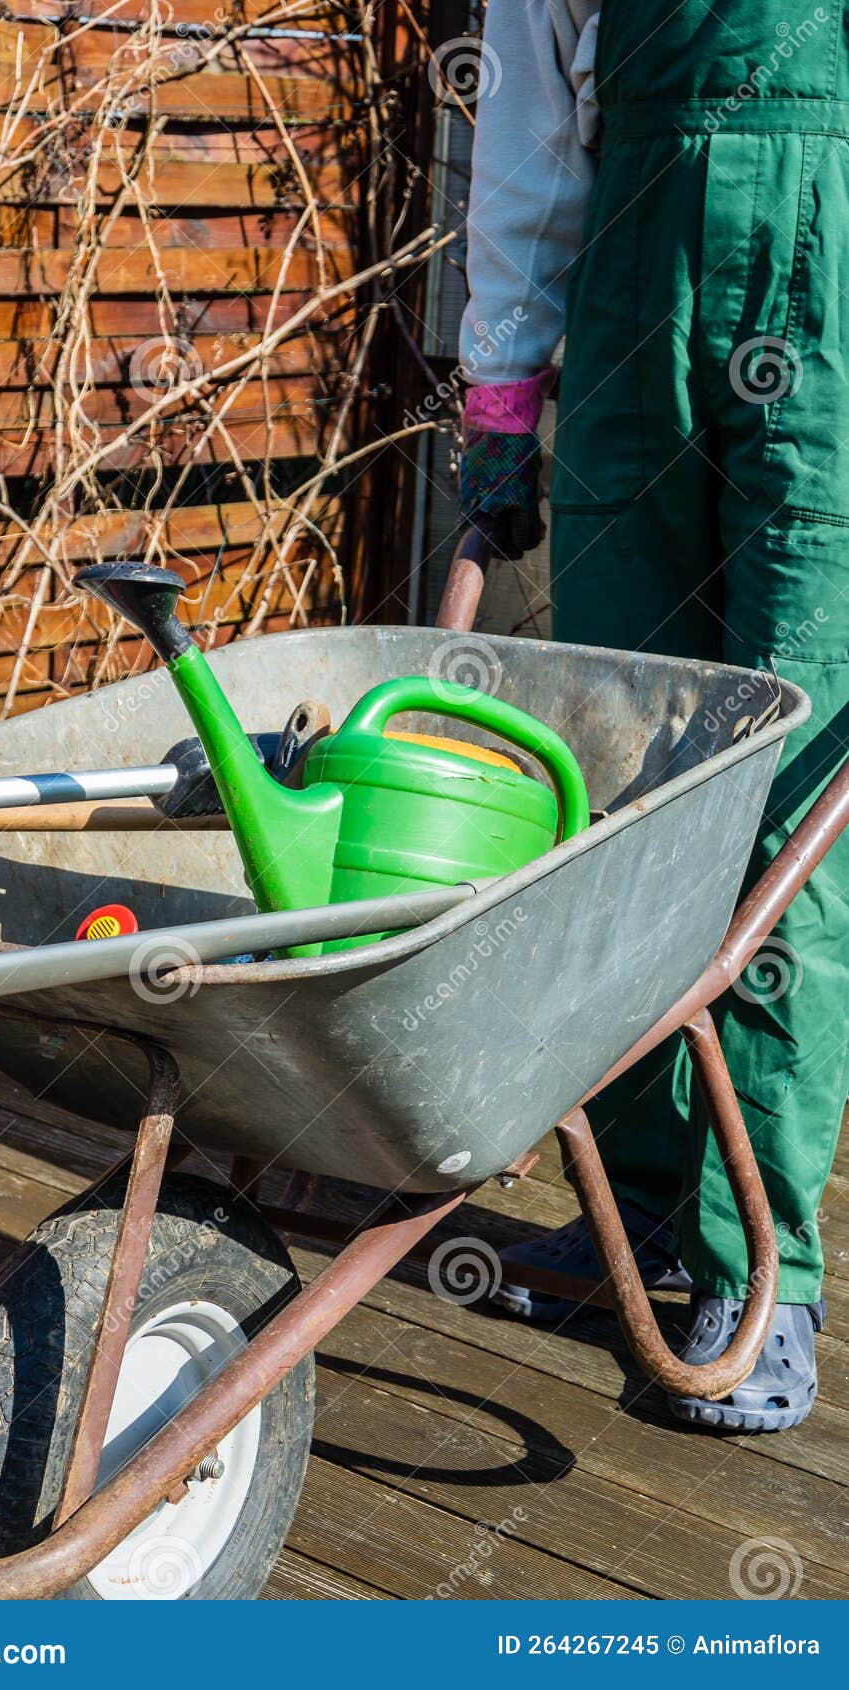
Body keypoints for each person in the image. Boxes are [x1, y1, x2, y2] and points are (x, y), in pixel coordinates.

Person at [457, 0, 848, 1431]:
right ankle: (634, 1213)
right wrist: (500, 398)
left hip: (836, 300)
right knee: (631, 772)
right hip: (634, 310)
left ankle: (765, 1269)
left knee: (794, 800)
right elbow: (529, 135)